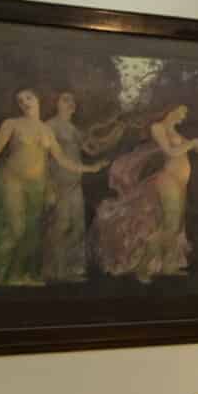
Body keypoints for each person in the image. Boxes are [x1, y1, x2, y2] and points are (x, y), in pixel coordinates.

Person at [0, 89, 107, 289]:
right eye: (20, 100)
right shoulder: (12, 124)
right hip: (11, 180)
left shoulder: (47, 130)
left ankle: (17, 275)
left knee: (31, 233)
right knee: (16, 229)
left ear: (38, 100)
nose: (24, 102)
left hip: (37, 185)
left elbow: (62, 160)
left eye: (28, 97)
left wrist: (90, 168)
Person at [90, 104, 198, 283]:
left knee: (175, 225)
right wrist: (191, 143)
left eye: (185, 113)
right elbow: (170, 151)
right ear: (170, 110)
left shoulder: (178, 133)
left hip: (181, 183)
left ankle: (167, 264)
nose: (183, 115)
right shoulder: (157, 128)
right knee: (170, 224)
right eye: (181, 111)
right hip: (168, 180)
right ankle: (143, 266)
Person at [41, 91, 125, 283]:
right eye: (65, 99)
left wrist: (115, 133)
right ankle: (54, 269)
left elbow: (92, 147)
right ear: (56, 103)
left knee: (77, 225)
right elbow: (45, 159)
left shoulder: (73, 129)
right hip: (57, 182)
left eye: (72, 101)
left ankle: (72, 268)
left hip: (74, 183)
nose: (70, 103)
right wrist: (49, 186)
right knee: (60, 225)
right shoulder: (49, 126)